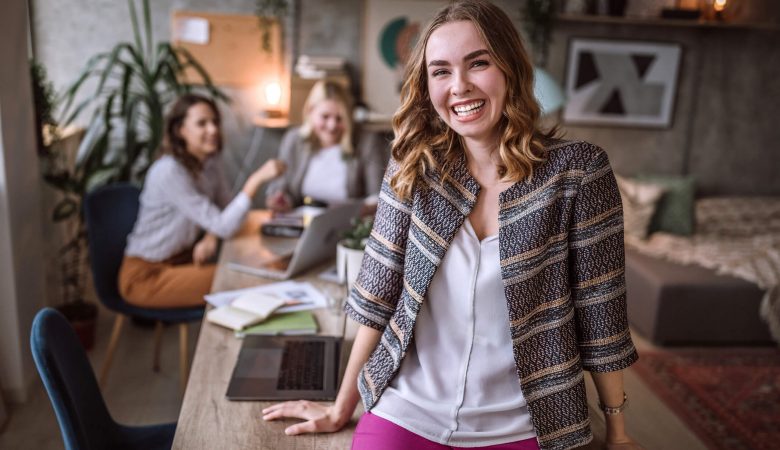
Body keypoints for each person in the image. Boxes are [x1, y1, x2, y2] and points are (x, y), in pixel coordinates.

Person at [262, 1, 642, 449]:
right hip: (409, 408)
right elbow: (375, 296)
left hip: (526, 421)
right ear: (427, 86)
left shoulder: (578, 172)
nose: (459, 86)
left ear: (510, 68)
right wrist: (342, 406)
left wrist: (617, 433)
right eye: (440, 71)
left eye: (477, 63)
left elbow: (601, 312)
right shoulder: (414, 166)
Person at [119, 94, 285, 308]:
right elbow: (225, 224)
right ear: (181, 130)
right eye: (201, 123)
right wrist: (255, 180)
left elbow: (225, 212)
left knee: (256, 267)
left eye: (215, 122)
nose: (213, 130)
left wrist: (210, 234)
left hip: (181, 262)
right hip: (145, 275)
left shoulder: (209, 162)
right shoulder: (170, 171)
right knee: (239, 278)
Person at [264, 80, 385, 211]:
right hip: (303, 222)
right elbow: (281, 189)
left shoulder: (367, 142)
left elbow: (377, 196)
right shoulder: (294, 140)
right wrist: (281, 200)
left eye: (339, 118)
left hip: (349, 224)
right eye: (325, 117)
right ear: (310, 112)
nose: (332, 126)